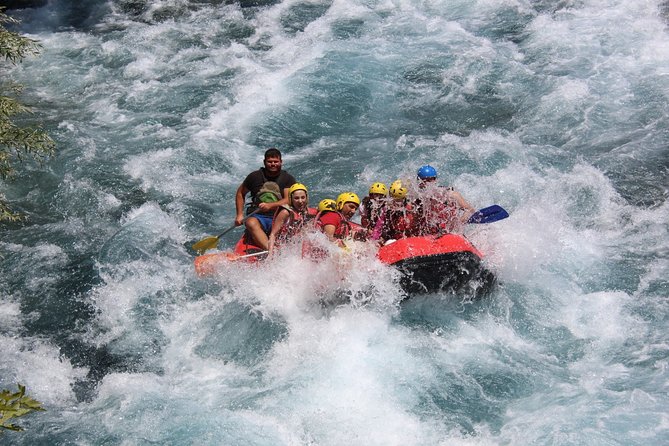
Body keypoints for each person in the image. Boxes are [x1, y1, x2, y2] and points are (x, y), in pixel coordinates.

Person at [234, 148, 296, 250]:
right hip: (259, 216)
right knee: (250, 223)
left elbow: (288, 199)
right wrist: (239, 215)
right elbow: (240, 193)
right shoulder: (254, 176)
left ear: (281, 162)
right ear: (264, 162)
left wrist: (271, 205)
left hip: (279, 216)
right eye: (269, 162)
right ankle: (271, 250)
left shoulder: (288, 179)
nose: (273, 164)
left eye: (276, 162)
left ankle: (272, 247)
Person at [414, 164, 476, 234]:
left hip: (451, 231)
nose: (427, 184)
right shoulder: (418, 198)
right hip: (432, 232)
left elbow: (470, 210)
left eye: (430, 180)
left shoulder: (450, 195)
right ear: (419, 183)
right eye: (424, 181)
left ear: (435, 180)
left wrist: (458, 223)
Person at [267, 183, 317, 253]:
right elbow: (273, 234)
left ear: (306, 197)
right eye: (296, 198)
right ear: (291, 199)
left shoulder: (313, 212)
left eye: (303, 197)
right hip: (285, 248)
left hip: (301, 246)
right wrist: (271, 253)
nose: (300, 201)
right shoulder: (285, 213)